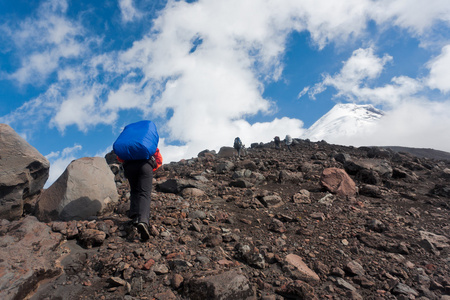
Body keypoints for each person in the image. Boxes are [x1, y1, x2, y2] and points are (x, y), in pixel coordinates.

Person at [118, 148, 162, 241]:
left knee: (134, 191)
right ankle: (143, 221)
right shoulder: (146, 139)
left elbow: (119, 157)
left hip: (129, 167)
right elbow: (158, 157)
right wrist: (152, 167)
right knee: (144, 193)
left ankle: (134, 218)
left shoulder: (129, 140)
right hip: (145, 165)